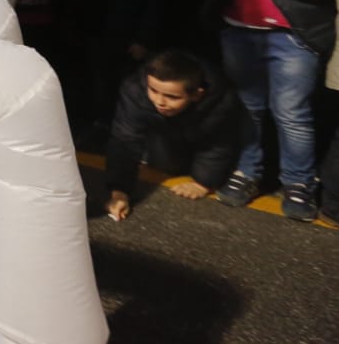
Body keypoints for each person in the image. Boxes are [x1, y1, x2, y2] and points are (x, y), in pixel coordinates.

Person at [199, 0, 339, 220]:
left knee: (291, 113)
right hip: (240, 31)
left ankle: (298, 183)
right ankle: (248, 171)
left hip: (289, 36)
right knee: (249, 108)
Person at [103, 49, 249, 222]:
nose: (159, 101)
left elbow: (218, 144)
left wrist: (203, 182)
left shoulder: (221, 99)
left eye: (171, 96)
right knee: (166, 165)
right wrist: (120, 192)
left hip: (200, 132)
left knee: (208, 161)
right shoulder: (135, 90)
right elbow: (125, 138)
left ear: (197, 94)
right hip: (164, 131)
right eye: (153, 90)